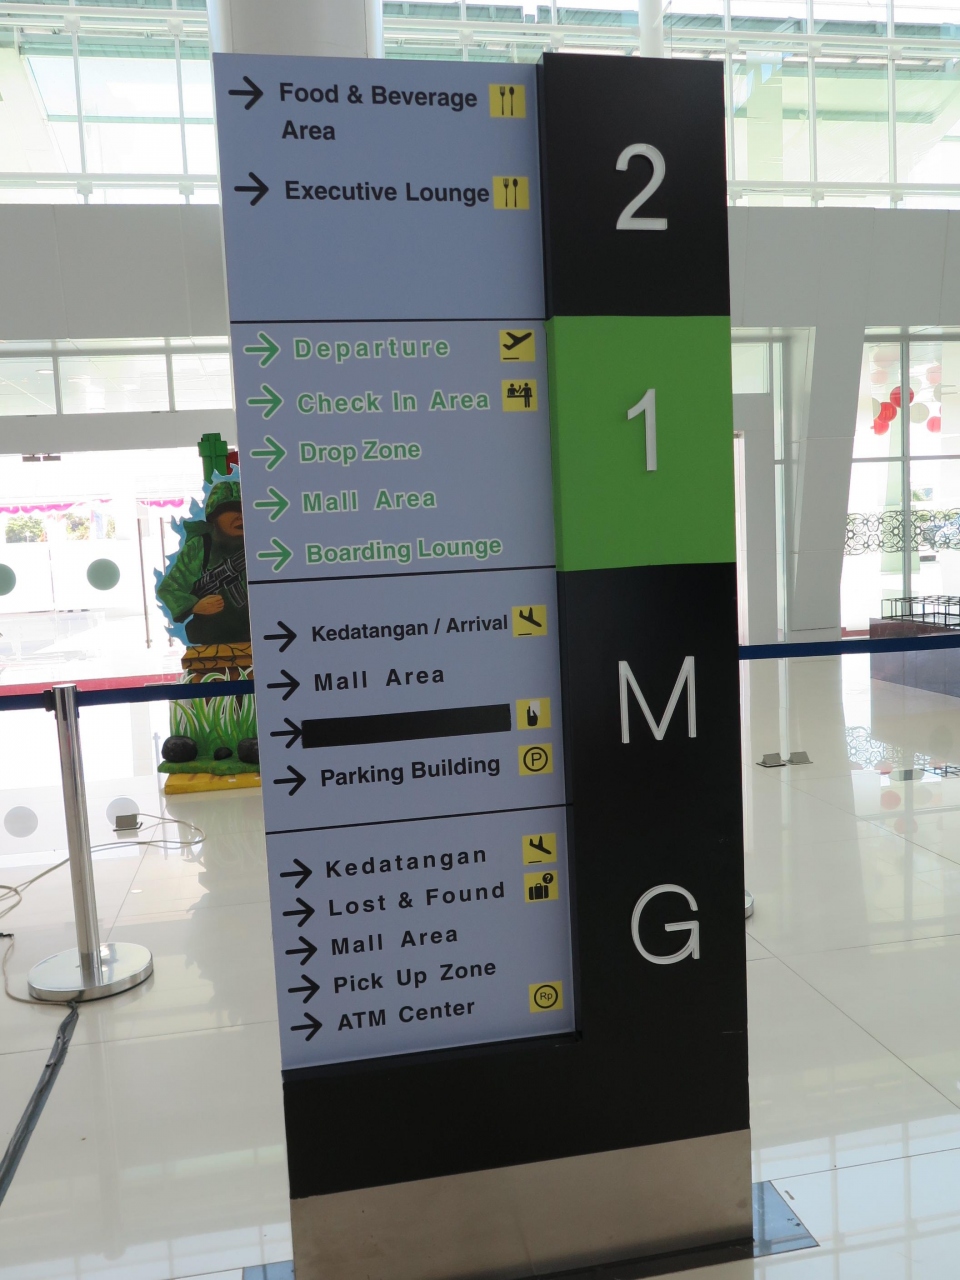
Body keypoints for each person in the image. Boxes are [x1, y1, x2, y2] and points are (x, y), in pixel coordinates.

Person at [157, 480, 250, 645]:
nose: (240, 515)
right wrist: (195, 606)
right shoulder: (200, 546)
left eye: (243, 509)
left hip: (257, 633)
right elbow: (169, 589)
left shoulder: (258, 543)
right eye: (231, 509)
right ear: (214, 517)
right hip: (212, 635)